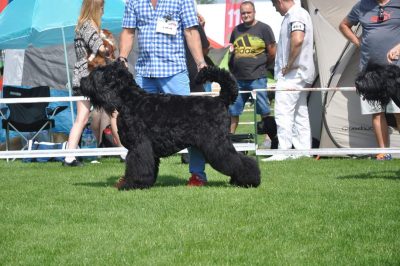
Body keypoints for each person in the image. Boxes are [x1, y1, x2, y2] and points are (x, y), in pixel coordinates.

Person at [118, 0, 208, 186]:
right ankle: (136, 176)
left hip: (174, 71)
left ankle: (197, 175)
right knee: (138, 133)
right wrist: (122, 57)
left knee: (194, 126)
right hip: (144, 73)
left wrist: (200, 62)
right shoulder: (134, 1)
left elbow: (191, 31)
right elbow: (128, 31)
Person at [63, 0, 122, 166]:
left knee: (82, 118)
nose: (103, 10)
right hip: (90, 76)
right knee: (113, 113)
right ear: (96, 8)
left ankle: (69, 157)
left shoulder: (83, 25)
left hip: (86, 76)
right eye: (102, 7)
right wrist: (110, 47)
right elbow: (101, 49)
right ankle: (124, 151)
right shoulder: (88, 26)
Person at [339, 0, 400, 161]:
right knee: (376, 111)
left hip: (396, 69)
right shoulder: (361, 6)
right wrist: (358, 42)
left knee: (398, 111)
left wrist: (399, 47)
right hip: (370, 70)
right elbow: (344, 25)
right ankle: (383, 152)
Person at [262, 0, 315, 161]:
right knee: (300, 113)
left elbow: (297, 39)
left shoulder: (296, 15)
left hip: (293, 73)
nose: (275, 8)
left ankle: (283, 151)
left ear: (279, 1)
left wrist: (288, 64)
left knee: (283, 112)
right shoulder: (296, 15)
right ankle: (303, 151)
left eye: (274, 4)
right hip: (300, 73)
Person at [228, 0, 276, 149]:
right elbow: (232, 49)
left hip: (258, 78)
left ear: (254, 12)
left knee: (264, 110)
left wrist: (263, 67)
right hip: (238, 80)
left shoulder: (264, 28)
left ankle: (269, 140)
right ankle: (228, 141)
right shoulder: (236, 30)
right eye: (243, 13)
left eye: (248, 12)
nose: (246, 15)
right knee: (233, 111)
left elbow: (272, 51)